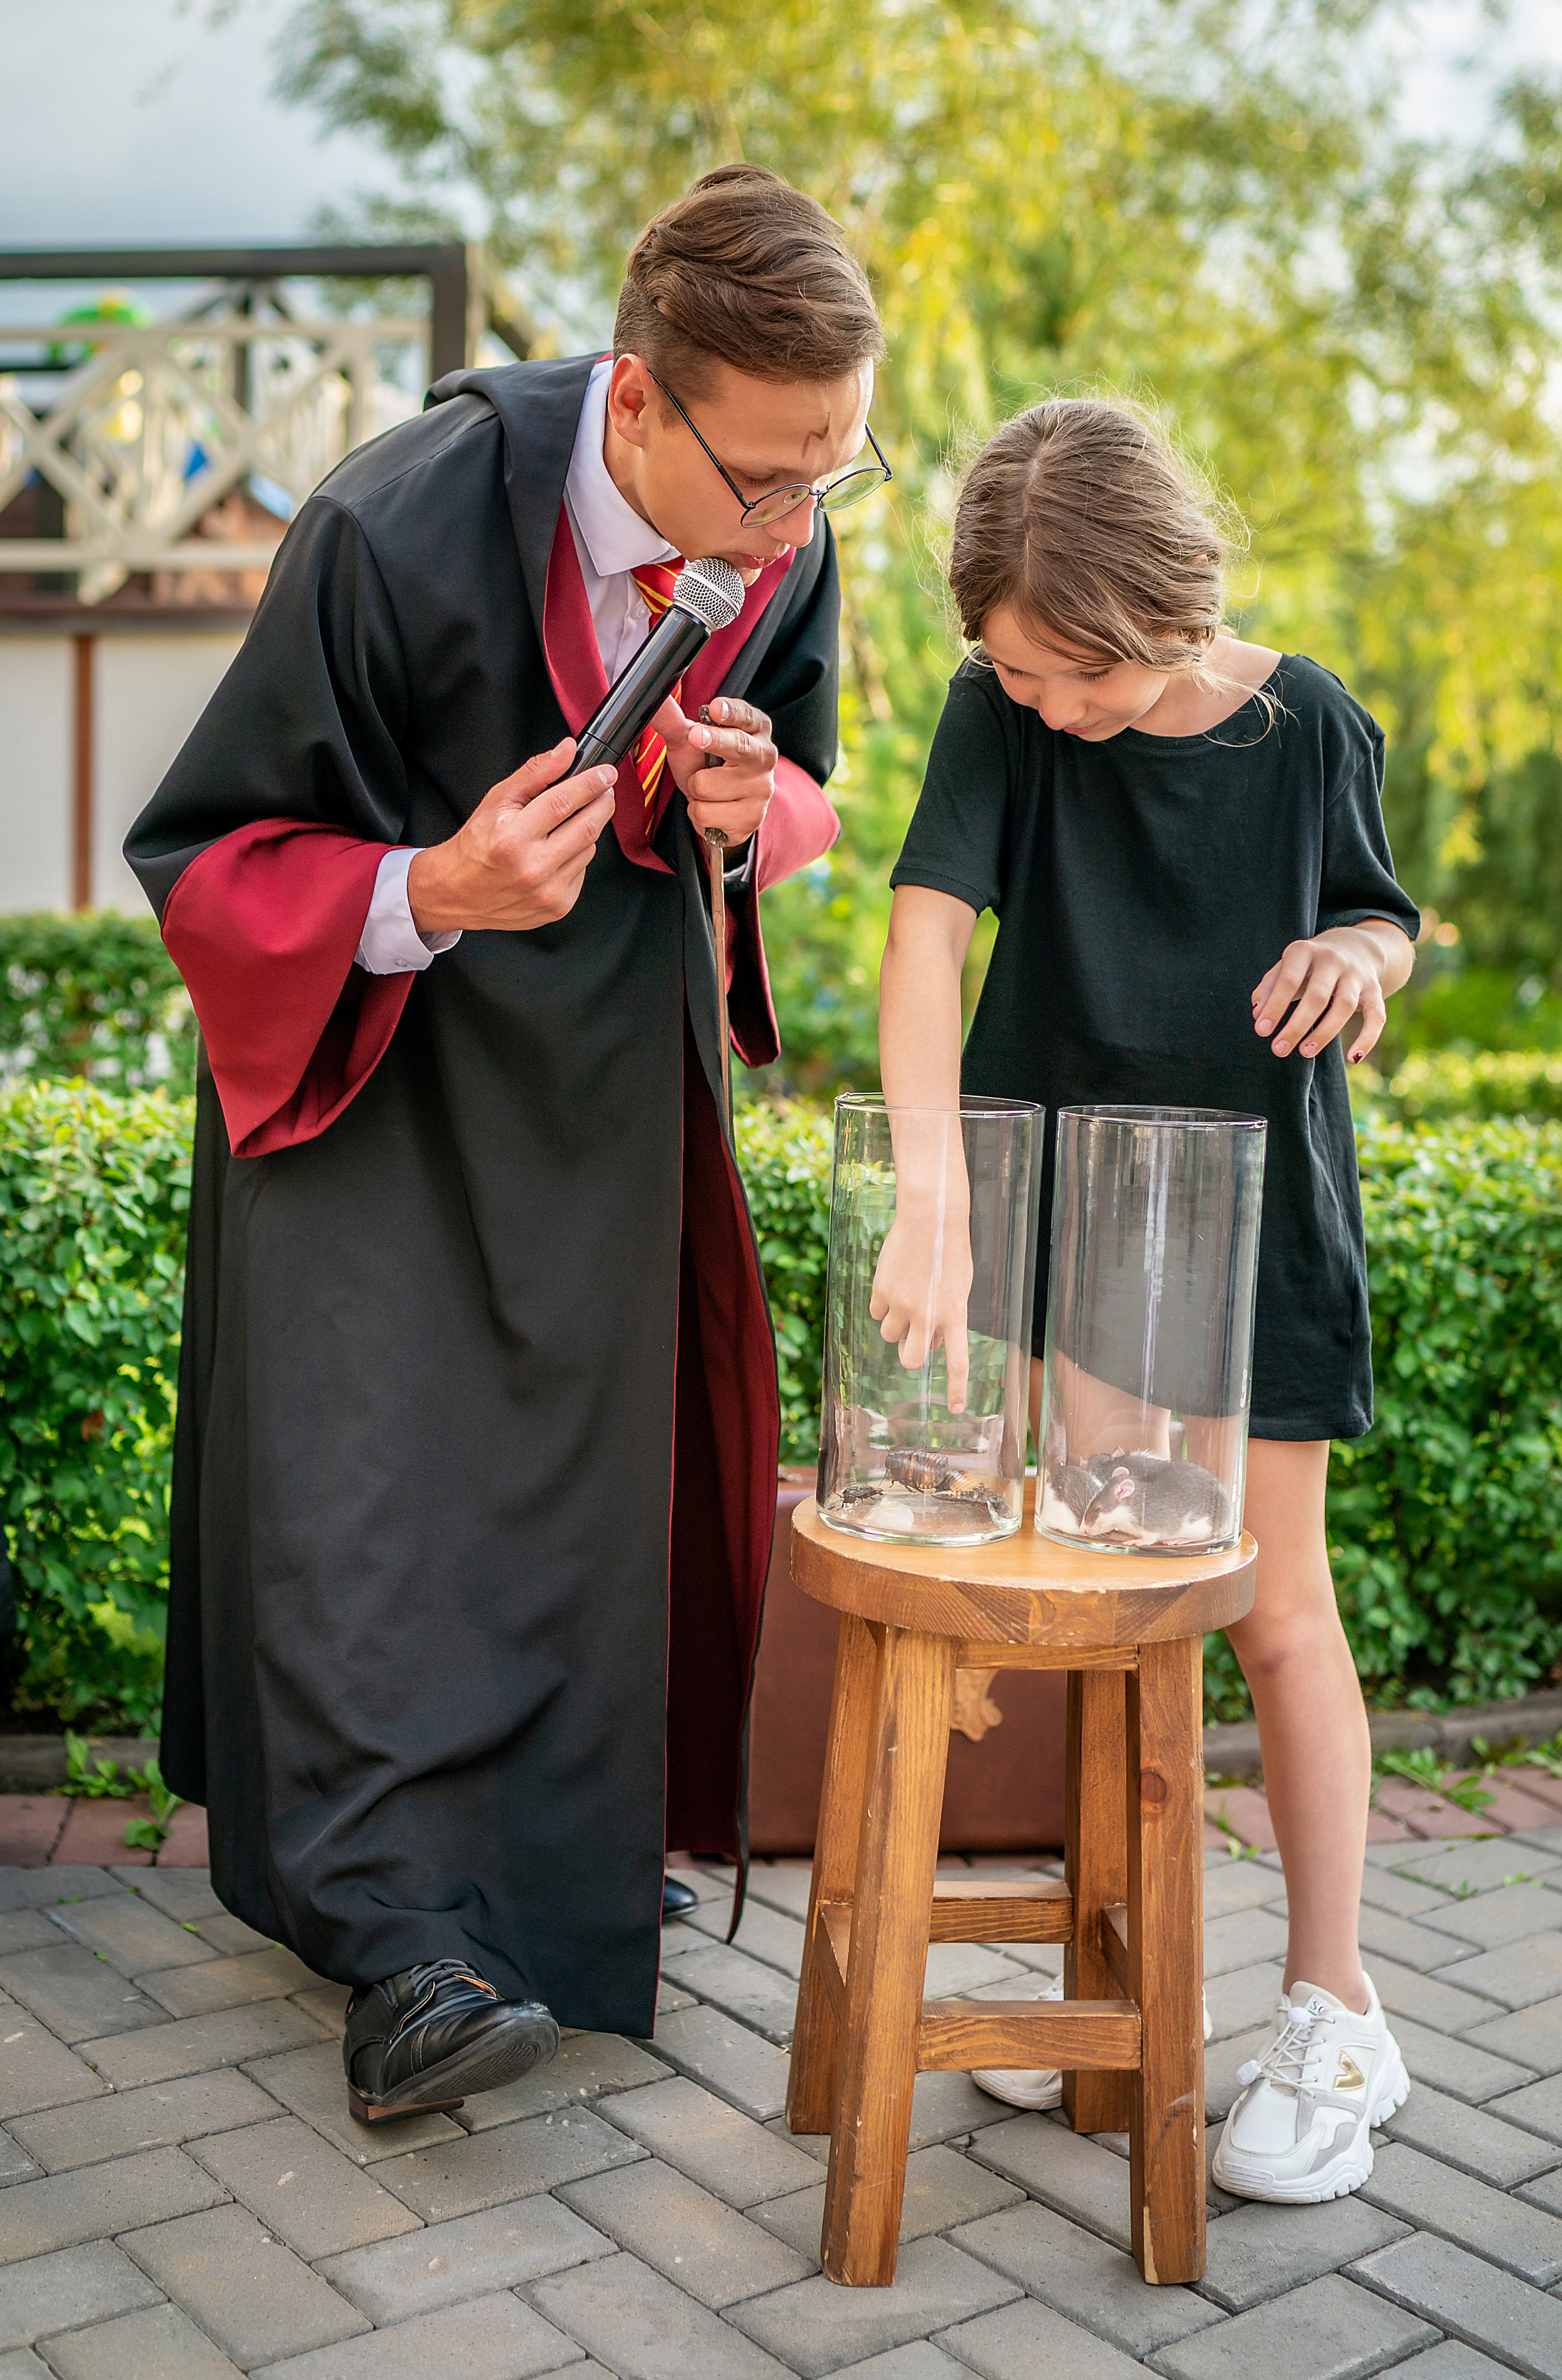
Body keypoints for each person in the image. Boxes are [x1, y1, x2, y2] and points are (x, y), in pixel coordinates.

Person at [125, 165, 888, 2127]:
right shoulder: (386, 524)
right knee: (372, 1498)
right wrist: (430, 885)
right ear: (637, 403)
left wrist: (747, 802)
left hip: (607, 1087)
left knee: (574, 1493)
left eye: (835, 478)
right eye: (770, 480)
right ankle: (398, 1946)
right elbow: (205, 858)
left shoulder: (783, 534)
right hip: (374, 1082)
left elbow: (803, 793)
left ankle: (547, 1884)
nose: (800, 525)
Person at [874, 396, 1419, 2206]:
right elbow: (929, 933)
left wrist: (1357, 953)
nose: (1040, 705)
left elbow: (1382, 917)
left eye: (1067, 675)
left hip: (1260, 1237)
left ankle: (1336, 2010)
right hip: (1079, 1236)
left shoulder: (1305, 718)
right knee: (1110, 1610)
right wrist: (937, 1187)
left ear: (1159, 617)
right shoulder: (996, 715)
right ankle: (1122, 1987)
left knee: (1271, 1613)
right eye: (1012, 672)